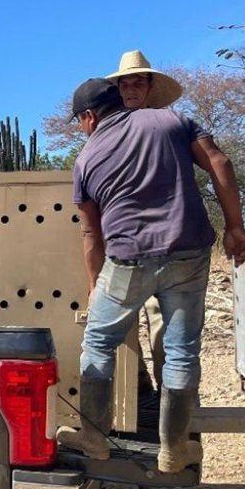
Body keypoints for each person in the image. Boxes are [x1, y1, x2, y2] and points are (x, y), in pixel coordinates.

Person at [56, 78, 245, 473]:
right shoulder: (170, 121)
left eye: (79, 120)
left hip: (128, 260)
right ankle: (174, 449)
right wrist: (235, 227)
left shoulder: (86, 158)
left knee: (98, 342)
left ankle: (94, 439)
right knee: (181, 352)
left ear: (90, 116)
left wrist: (96, 285)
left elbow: (92, 233)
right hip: (189, 251)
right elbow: (220, 163)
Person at [107, 50, 186, 392]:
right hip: (125, 242)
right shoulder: (110, 132)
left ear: (150, 86)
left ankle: (170, 398)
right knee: (121, 322)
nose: (131, 89)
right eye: (125, 83)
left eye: (138, 81)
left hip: (166, 241)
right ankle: (138, 391)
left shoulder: (170, 126)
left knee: (163, 324)